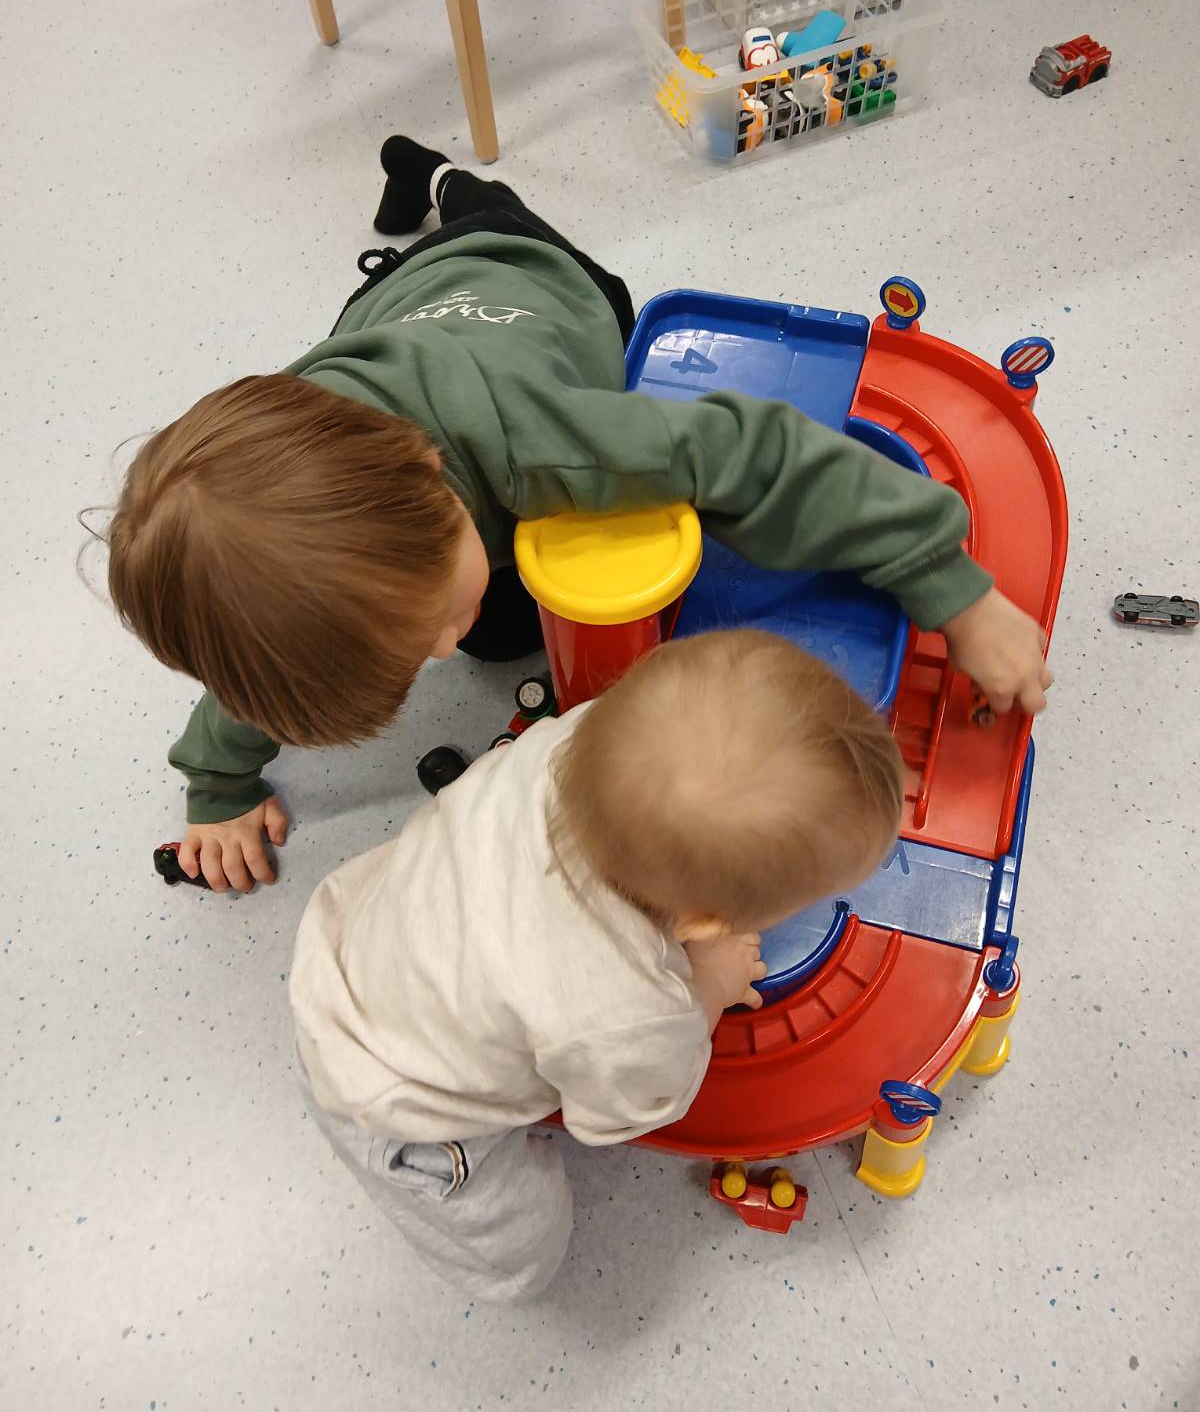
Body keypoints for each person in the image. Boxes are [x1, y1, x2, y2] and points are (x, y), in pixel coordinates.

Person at [105, 136, 1052, 892]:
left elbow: (764, 456)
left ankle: (438, 179)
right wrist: (217, 786)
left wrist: (956, 593)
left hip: (532, 272)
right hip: (393, 310)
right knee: (493, 632)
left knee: (492, 218)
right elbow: (254, 650)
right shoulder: (282, 503)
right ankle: (427, 186)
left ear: (435, 476)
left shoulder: (553, 445)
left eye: (428, 626)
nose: (442, 651)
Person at [289, 630, 905, 1301]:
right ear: (704, 925)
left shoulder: (569, 742)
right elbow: (626, 1107)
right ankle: (500, 1260)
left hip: (354, 936)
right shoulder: (627, 1012)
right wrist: (710, 984)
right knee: (523, 1250)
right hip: (399, 1107)